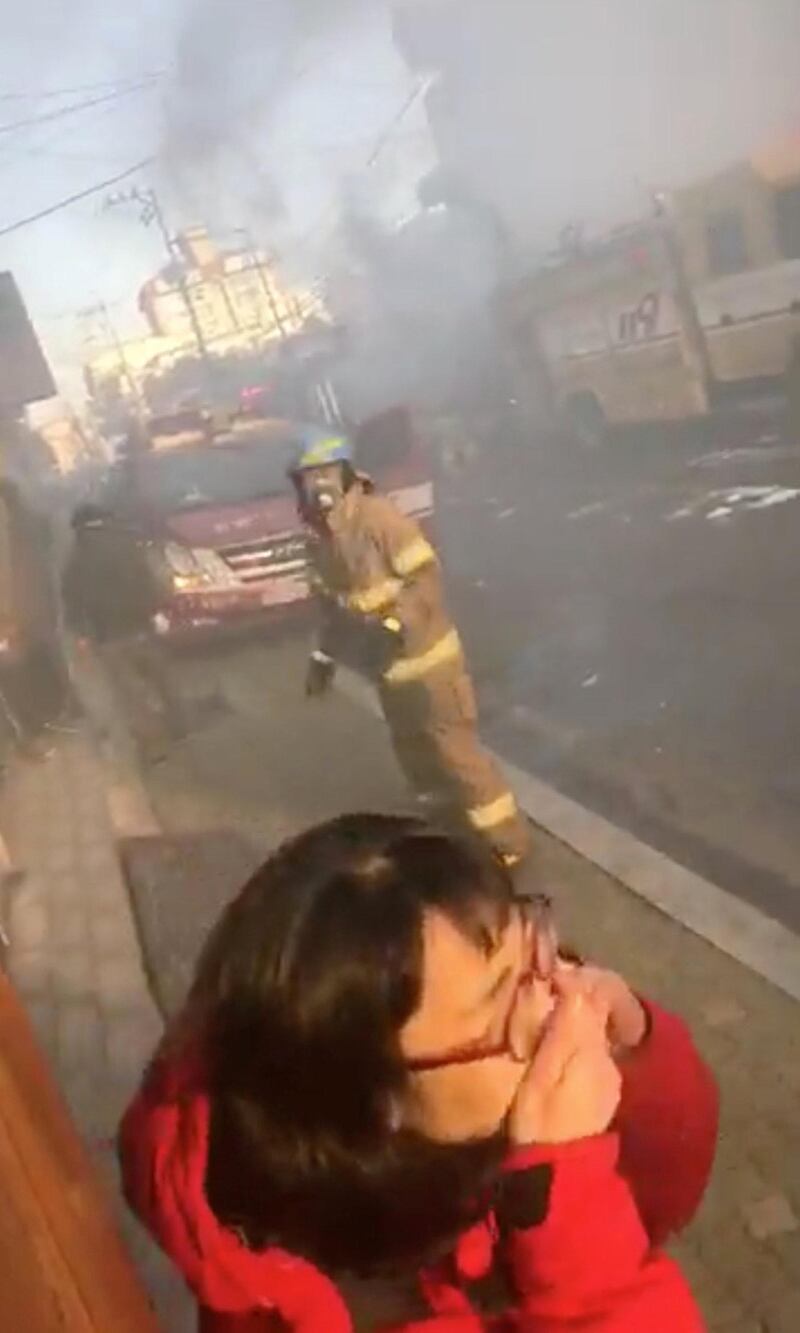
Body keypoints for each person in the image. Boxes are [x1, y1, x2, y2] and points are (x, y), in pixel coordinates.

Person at [119, 814, 717, 1333]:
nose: (561, 996)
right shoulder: (356, 1304)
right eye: (505, 1001)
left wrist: (635, 1040)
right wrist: (570, 1230)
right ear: (378, 1101)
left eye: (533, 946)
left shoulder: (483, 1131)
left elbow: (666, 1193)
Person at [291, 430, 531, 870]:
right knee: (416, 759)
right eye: (307, 477)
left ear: (344, 473)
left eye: (324, 473)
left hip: (429, 665)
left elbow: (425, 577)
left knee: (455, 754)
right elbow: (333, 612)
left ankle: (507, 847)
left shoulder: (379, 520)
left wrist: (394, 623)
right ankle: (444, 831)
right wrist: (323, 658)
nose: (316, 485)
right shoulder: (321, 542)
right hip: (389, 674)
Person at [62, 501, 192, 764]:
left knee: (131, 694)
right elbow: (151, 579)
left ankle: (155, 745)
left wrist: (82, 635)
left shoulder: (76, 558)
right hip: (142, 625)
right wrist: (159, 609)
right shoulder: (128, 543)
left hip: (109, 635)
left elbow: (73, 600)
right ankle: (179, 724)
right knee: (161, 678)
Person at [0, 475, 73, 759]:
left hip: (22, 616)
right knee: (21, 672)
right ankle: (35, 731)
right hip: (30, 613)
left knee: (19, 673)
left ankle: (35, 730)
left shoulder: (20, 526)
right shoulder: (28, 521)